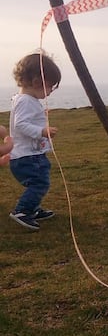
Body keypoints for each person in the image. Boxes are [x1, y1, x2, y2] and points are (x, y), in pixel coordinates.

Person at [9, 52, 61, 231]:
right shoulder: (26, 101)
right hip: (27, 157)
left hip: (31, 155)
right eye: (50, 86)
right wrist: (42, 131)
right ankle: (22, 211)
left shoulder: (24, 99)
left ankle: (33, 209)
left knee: (40, 181)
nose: (51, 91)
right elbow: (21, 124)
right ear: (38, 82)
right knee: (40, 183)